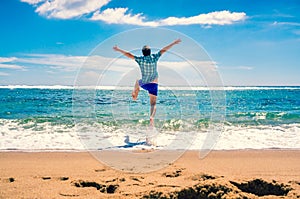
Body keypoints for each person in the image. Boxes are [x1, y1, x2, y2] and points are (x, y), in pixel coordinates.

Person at [113, 39, 181, 127]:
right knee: (153, 104)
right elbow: (164, 50)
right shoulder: (155, 57)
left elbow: (129, 55)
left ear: (143, 53)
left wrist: (119, 50)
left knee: (137, 81)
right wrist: (173, 43)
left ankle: (135, 94)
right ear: (150, 52)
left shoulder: (140, 59)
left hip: (144, 84)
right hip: (154, 85)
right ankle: (152, 117)